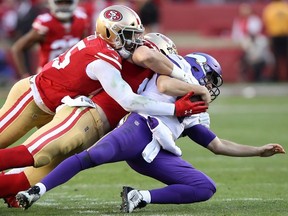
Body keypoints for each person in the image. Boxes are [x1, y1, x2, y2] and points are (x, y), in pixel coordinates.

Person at [15, 52, 285, 212]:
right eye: (210, 79)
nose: (211, 87)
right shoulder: (178, 73)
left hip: (155, 152)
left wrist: (258, 151)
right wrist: (196, 89)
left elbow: (216, 145)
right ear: (198, 70)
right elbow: (165, 86)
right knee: (91, 157)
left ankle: (139, 197)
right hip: (138, 128)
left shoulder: (198, 107)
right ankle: (36, 190)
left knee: (204, 187)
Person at [0, 31, 209, 208]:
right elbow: (146, 58)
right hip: (83, 115)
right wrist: (185, 81)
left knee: (30, 178)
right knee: (39, 153)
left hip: (96, 127)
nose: (169, 61)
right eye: (168, 56)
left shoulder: (154, 75)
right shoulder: (144, 55)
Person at [0, 5, 201, 151]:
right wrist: (174, 108)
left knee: (43, 153)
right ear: (110, 33)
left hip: (57, 105)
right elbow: (128, 100)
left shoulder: (108, 47)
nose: (135, 41)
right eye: (129, 35)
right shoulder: (103, 57)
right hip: (34, 98)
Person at [11, 0, 89, 79]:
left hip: (73, 75)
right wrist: (25, 76)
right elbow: (17, 48)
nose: (64, 6)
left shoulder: (81, 20)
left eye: (67, 2)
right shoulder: (45, 23)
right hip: (48, 77)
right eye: (60, 3)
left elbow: (85, 49)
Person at [262, 0, 288, 81]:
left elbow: (266, 22)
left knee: (276, 58)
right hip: (283, 35)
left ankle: (276, 77)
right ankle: (276, 76)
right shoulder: (285, 7)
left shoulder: (270, 9)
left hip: (276, 36)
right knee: (279, 58)